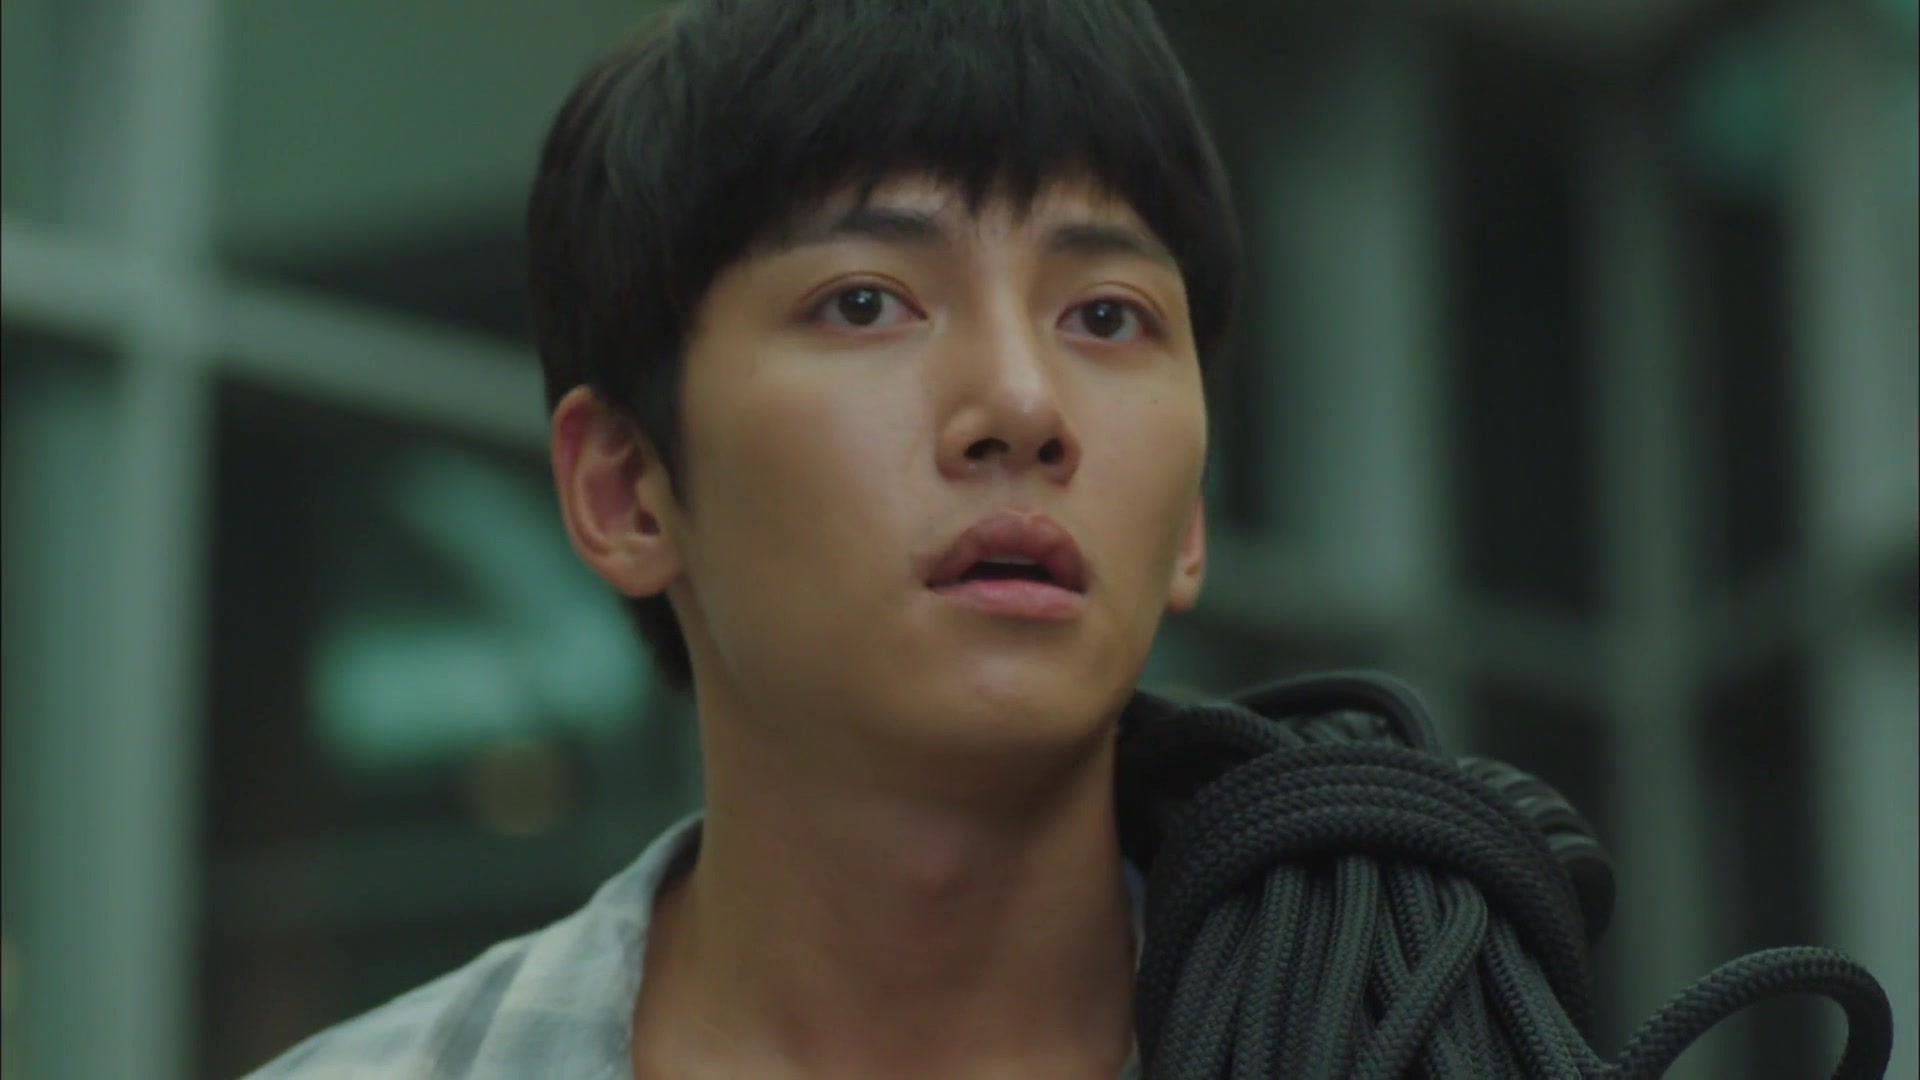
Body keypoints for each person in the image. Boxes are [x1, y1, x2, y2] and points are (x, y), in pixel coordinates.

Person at [247, 0, 1240, 1076]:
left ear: (1191, 517)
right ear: (626, 492)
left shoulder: (1369, 1028)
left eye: (1106, 316)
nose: (1023, 404)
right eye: (864, 303)